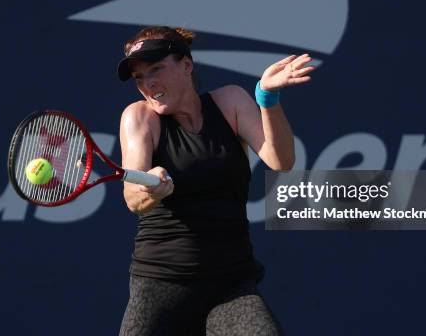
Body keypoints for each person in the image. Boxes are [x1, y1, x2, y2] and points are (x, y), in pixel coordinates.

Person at [117, 26, 314, 336]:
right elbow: (132, 197)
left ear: (186, 65)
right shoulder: (139, 117)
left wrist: (267, 97)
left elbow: (281, 161)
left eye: (156, 68)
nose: (148, 82)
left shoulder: (231, 101)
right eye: (139, 77)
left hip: (231, 285)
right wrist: (151, 189)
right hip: (161, 285)